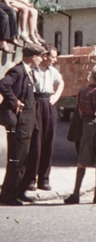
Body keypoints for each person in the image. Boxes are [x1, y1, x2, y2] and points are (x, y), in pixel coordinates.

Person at [0, 43, 48, 206]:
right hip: (20, 122)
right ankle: (9, 195)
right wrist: (15, 102)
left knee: (29, 157)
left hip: (29, 120)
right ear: (33, 57)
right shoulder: (18, 70)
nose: (42, 59)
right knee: (17, 158)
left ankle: (20, 191)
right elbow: (3, 84)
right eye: (40, 56)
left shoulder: (29, 71)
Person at [64, 63, 96, 204]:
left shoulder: (82, 91)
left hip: (86, 126)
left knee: (82, 160)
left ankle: (76, 194)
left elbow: (79, 109)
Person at [22, 45, 64, 192]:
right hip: (36, 102)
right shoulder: (32, 70)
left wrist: (56, 96)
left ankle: (44, 179)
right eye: (53, 57)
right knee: (36, 142)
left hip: (48, 103)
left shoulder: (52, 71)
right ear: (45, 56)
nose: (55, 60)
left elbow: (61, 82)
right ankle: (31, 179)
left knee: (48, 141)